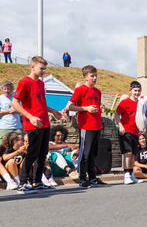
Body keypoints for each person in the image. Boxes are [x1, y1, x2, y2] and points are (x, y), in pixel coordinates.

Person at [11, 56, 64, 193]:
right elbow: (15, 103)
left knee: (43, 154)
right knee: (32, 154)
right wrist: (30, 117)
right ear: (32, 67)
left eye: (45, 69)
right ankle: (23, 184)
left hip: (45, 123)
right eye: (41, 68)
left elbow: (41, 103)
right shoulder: (24, 82)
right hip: (33, 125)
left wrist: (53, 111)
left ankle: (37, 182)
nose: (43, 71)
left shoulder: (40, 83)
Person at [63, 65, 106, 188]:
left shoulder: (98, 91)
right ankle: (82, 179)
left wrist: (100, 109)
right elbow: (69, 106)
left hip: (97, 125)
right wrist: (86, 108)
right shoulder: (80, 90)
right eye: (92, 76)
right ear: (86, 77)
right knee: (85, 153)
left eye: (96, 75)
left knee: (93, 153)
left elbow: (95, 107)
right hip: (86, 126)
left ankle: (92, 178)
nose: (95, 78)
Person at [115, 81, 144, 185]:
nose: (137, 93)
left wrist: (142, 127)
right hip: (126, 131)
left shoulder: (140, 103)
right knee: (128, 153)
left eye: (139, 91)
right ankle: (126, 175)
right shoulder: (124, 102)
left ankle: (131, 175)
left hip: (135, 132)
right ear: (130, 91)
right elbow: (116, 114)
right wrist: (120, 125)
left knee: (133, 155)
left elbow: (141, 118)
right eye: (135, 90)